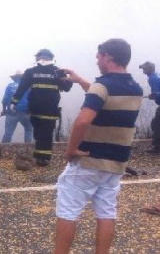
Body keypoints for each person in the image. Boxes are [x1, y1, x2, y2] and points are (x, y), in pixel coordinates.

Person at [53, 38, 143, 254]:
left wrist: (71, 149)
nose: (96, 59)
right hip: (116, 163)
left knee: (68, 211)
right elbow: (105, 97)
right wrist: (80, 80)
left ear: (108, 57)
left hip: (89, 160)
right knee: (106, 213)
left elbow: (84, 120)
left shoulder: (103, 85)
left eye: (99, 55)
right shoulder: (135, 88)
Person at [11, 48, 72, 166]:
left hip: (35, 109)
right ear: (51, 57)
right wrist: (67, 78)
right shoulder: (58, 72)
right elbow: (67, 88)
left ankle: (39, 156)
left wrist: (14, 102)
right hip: (50, 109)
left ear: (38, 57)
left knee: (38, 132)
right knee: (47, 133)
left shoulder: (30, 72)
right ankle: (44, 158)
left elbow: (21, 88)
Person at [1, 70, 33, 143]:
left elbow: (5, 100)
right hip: (26, 112)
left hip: (12, 112)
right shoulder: (28, 86)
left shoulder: (10, 86)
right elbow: (32, 99)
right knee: (28, 129)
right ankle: (27, 147)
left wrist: (4, 110)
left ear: (14, 78)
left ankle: (4, 147)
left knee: (8, 132)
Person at [138, 61, 160, 153]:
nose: (143, 70)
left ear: (149, 69)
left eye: (144, 69)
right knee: (156, 123)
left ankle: (157, 147)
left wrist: (154, 95)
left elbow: (158, 94)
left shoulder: (152, 79)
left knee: (156, 124)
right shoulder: (155, 77)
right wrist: (154, 95)